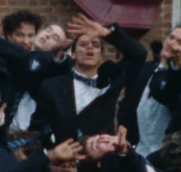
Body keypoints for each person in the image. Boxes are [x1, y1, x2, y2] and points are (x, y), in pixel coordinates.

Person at [31, 13, 147, 144]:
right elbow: (37, 127)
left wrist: (106, 33)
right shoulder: (52, 86)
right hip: (63, 158)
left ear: (101, 57)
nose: (90, 47)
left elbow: (139, 55)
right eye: (83, 44)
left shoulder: (112, 80)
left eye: (96, 45)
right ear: (73, 54)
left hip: (99, 157)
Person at [0, 17, 73, 134]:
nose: (47, 36)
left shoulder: (51, 65)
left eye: (55, 38)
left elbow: (63, 64)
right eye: (48, 30)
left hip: (27, 134)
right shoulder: (13, 57)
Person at [119, 25, 181, 157]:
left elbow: (169, 94)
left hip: (167, 154)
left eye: (179, 42)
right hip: (138, 150)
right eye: (171, 37)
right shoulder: (145, 69)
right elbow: (128, 104)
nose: (172, 43)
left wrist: (170, 66)